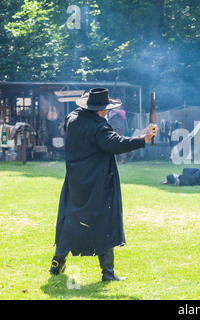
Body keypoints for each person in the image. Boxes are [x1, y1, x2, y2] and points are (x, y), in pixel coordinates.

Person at [49, 88, 158, 281]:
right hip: (97, 182)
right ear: (100, 110)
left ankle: (57, 265)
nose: (107, 112)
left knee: (71, 220)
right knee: (105, 220)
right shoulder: (99, 127)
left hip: (76, 179)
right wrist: (144, 139)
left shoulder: (72, 119)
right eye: (105, 109)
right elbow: (116, 144)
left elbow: (75, 114)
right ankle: (107, 273)